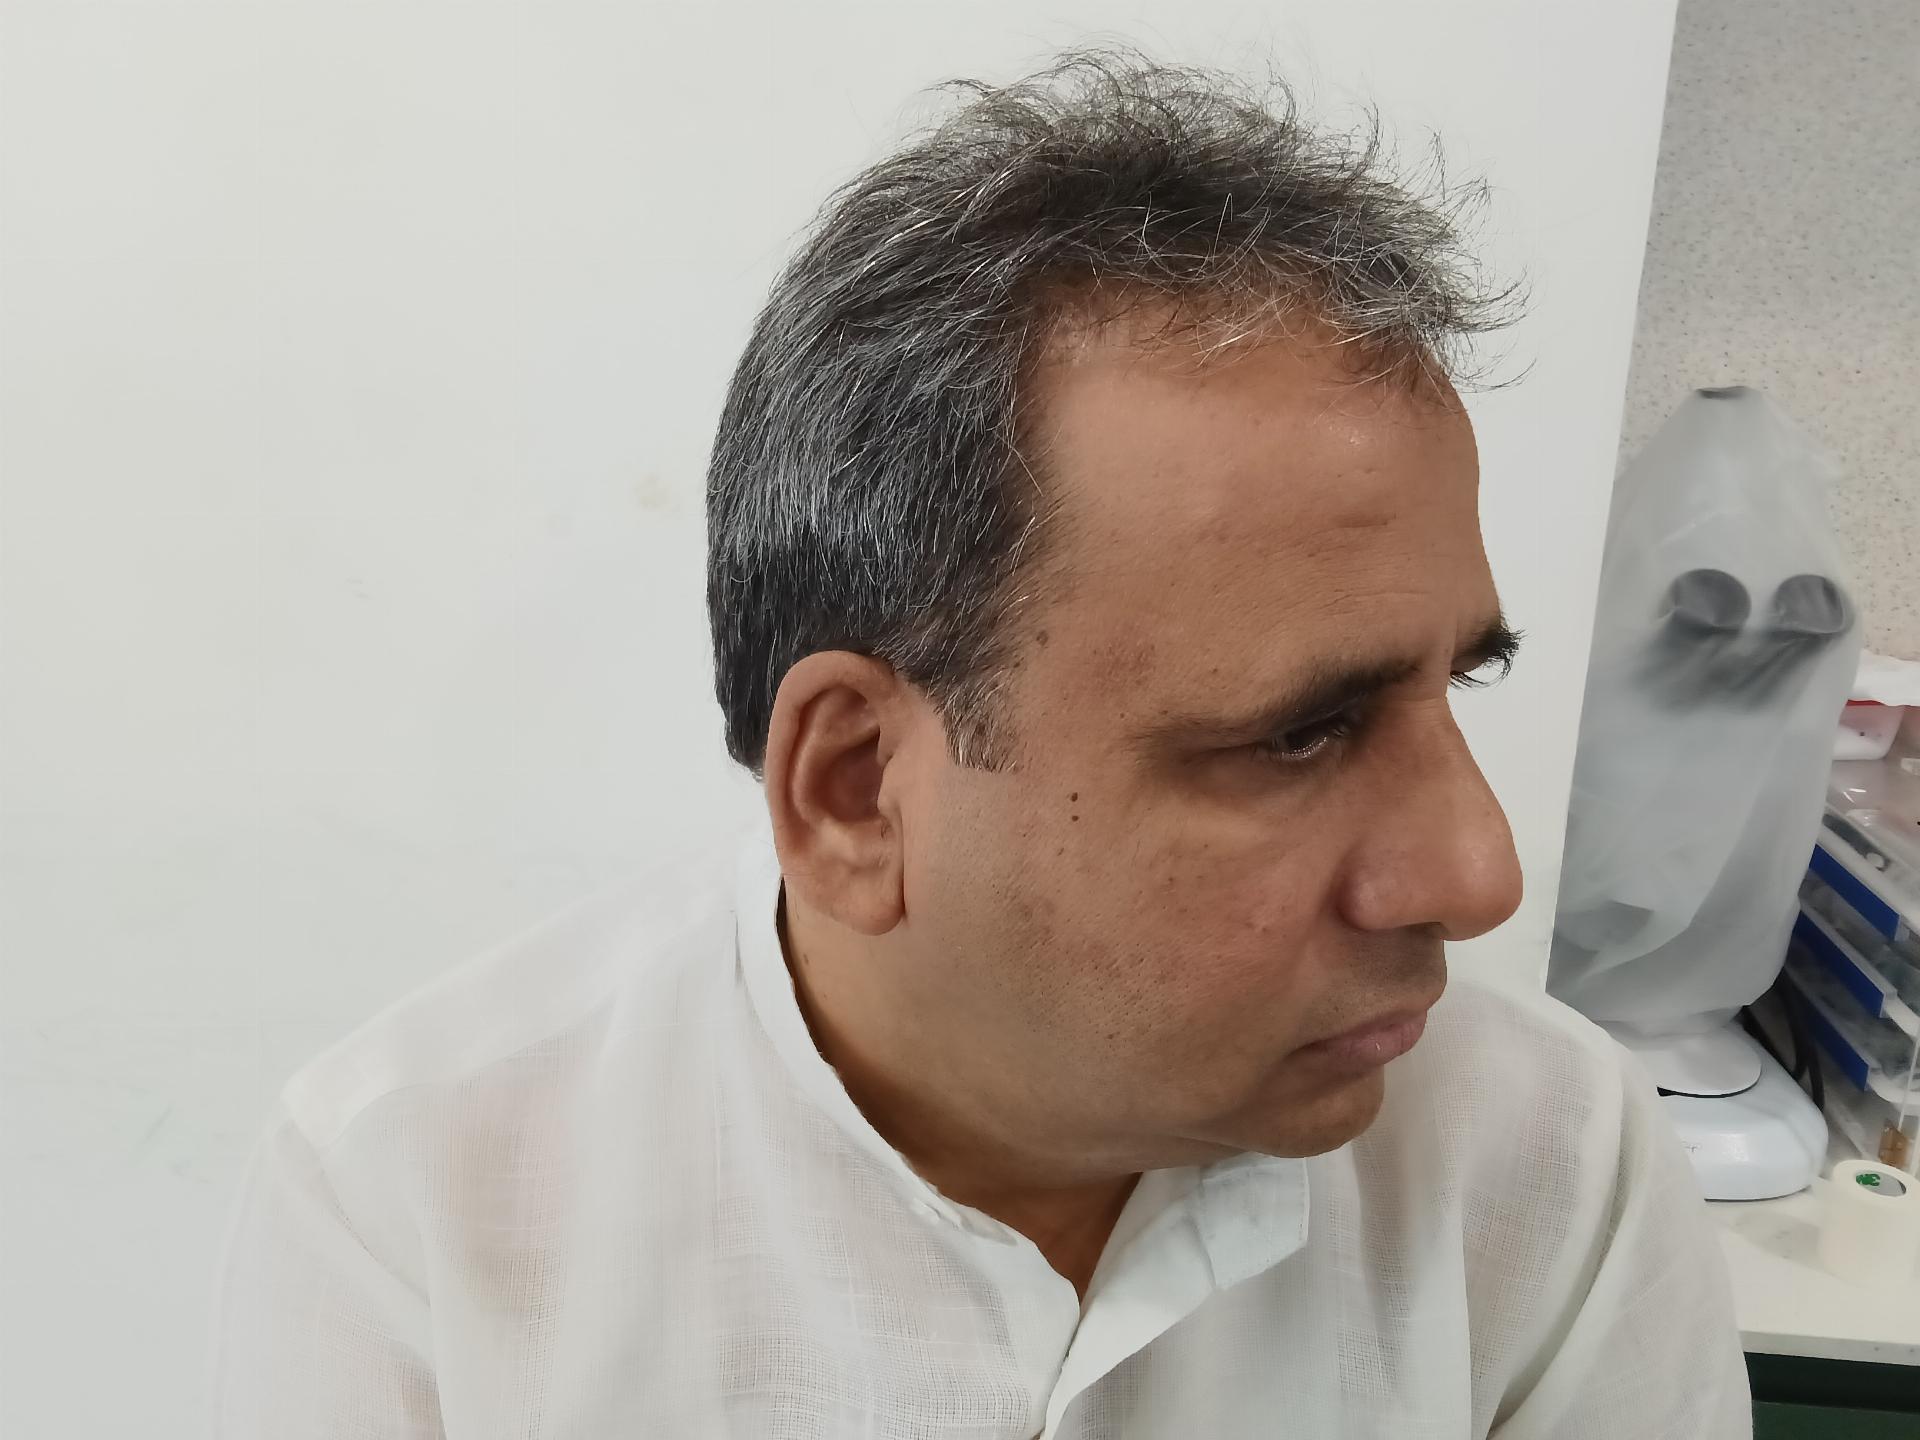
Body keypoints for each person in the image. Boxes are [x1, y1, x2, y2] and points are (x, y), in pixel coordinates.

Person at [211, 51, 1751, 1438]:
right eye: (1300, 735)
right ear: (857, 790)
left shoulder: (1550, 1172)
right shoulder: (421, 1209)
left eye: (1457, 684)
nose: (1477, 875)